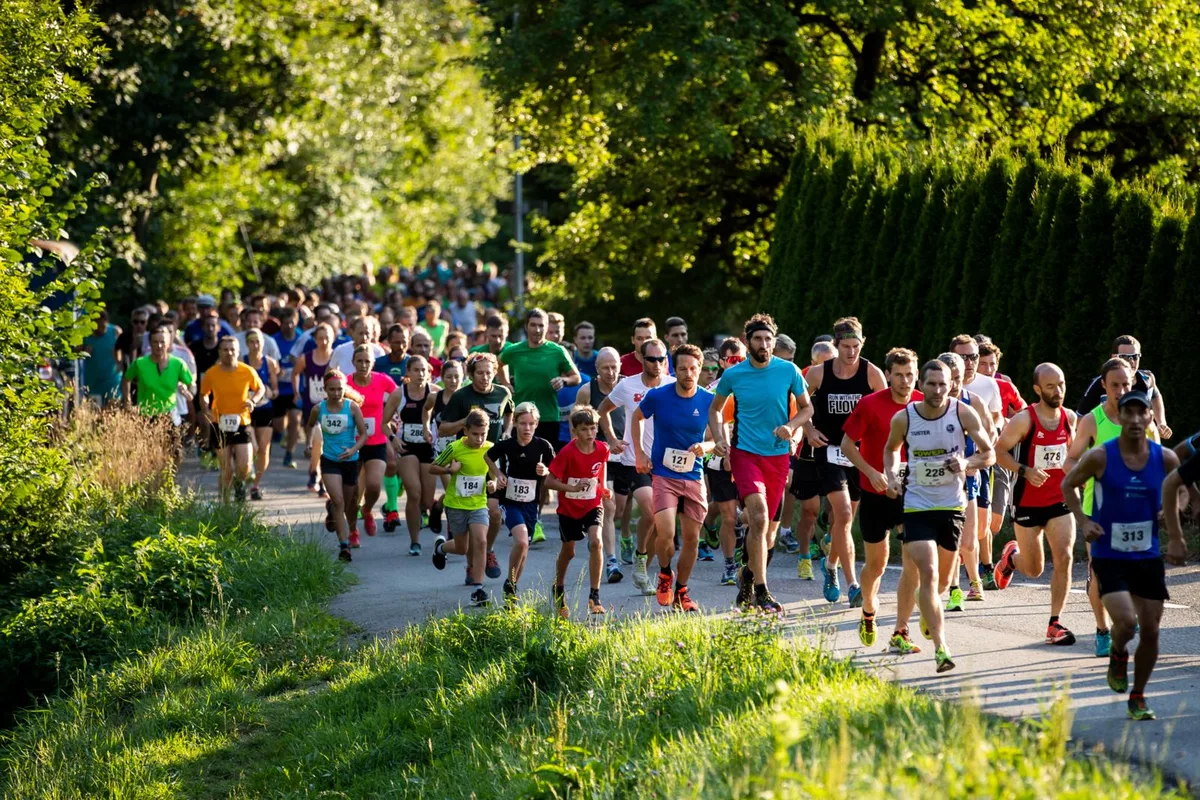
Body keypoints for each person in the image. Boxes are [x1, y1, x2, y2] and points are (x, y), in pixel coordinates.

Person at [1063, 391, 1184, 721]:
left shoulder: (1165, 458)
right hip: (1109, 553)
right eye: (1126, 413)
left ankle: (1139, 695)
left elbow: (1182, 491)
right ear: (1119, 416)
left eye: (1139, 413)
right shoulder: (1101, 456)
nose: (1133, 420)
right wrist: (1084, 521)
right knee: (1127, 623)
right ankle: (1118, 653)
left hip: (1146, 555)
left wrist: (1173, 527)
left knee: (1152, 630)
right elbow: (1068, 484)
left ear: (1149, 419)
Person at [883, 359, 994, 673]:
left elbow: (989, 452)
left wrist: (968, 463)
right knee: (928, 574)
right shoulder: (904, 417)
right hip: (917, 505)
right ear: (921, 385)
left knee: (943, 582)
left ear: (952, 385)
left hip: (952, 506)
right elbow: (891, 449)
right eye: (931, 384)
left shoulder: (962, 413)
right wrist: (892, 475)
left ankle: (925, 610)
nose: (937, 390)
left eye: (943, 384)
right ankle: (942, 648)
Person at [709, 314, 813, 614]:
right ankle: (763, 591)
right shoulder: (734, 375)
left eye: (768, 339)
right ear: (748, 342)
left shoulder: (789, 370)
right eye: (758, 339)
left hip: (778, 456)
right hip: (745, 454)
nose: (764, 344)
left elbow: (808, 408)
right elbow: (715, 410)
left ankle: (747, 576)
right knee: (758, 516)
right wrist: (719, 438)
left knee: (767, 531)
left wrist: (792, 426)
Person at [989, 364, 1079, 644]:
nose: (1058, 391)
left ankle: (1055, 623)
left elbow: (1071, 454)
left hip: (1059, 501)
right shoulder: (1023, 420)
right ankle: (1011, 559)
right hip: (1027, 502)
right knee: (1034, 569)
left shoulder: (1070, 418)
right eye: (1050, 386)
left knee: (1064, 557)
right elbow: (998, 452)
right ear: (1038, 389)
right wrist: (1025, 471)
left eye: (1061, 384)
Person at [840, 348, 923, 652]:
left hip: (911, 495)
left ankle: (901, 631)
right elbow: (847, 444)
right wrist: (871, 472)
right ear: (888, 375)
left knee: (913, 562)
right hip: (875, 494)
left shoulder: (924, 405)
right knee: (877, 564)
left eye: (910, 375)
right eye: (899, 375)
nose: (905, 381)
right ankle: (868, 609)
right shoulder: (871, 404)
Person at [800, 317, 887, 606]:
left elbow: (887, 413)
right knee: (844, 515)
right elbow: (797, 403)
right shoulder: (818, 373)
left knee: (842, 520)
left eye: (857, 346)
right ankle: (852, 585)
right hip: (828, 449)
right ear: (835, 345)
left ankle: (829, 565)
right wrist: (809, 429)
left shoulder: (872, 374)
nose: (852, 352)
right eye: (846, 346)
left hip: (859, 454)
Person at [1064, 358, 1144, 656]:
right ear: (1104, 386)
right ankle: (1101, 629)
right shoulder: (1092, 421)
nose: (1121, 390)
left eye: (1126, 384)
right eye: (1115, 385)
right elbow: (1069, 460)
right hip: (1097, 510)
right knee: (1101, 573)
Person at [630, 344, 713, 612]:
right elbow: (637, 417)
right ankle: (665, 572)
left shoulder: (708, 400)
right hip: (664, 474)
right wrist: (640, 453)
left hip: (693, 474)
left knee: (691, 538)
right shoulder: (658, 396)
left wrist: (707, 447)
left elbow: (717, 437)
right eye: (682, 369)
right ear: (673, 370)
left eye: (693, 368)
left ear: (700, 369)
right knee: (666, 530)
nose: (688, 374)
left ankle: (682, 591)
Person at [599, 337, 674, 594]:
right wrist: (612, 439)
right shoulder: (627, 386)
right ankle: (641, 559)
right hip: (636, 460)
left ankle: (642, 562)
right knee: (652, 513)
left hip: (666, 461)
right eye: (652, 359)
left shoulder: (672, 384)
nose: (658, 364)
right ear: (641, 359)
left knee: (661, 522)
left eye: (662, 359)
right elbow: (602, 410)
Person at [439, 352, 514, 563]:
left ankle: (487, 551)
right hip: (466, 463)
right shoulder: (461, 397)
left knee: (495, 515)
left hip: (492, 460)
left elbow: (509, 412)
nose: (485, 377)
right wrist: (465, 422)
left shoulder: (502, 393)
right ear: (471, 375)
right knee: (472, 527)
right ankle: (470, 563)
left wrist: (507, 430)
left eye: (489, 373)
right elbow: (443, 429)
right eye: (480, 373)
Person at [430, 409, 503, 607]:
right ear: (465, 431)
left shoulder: (490, 449)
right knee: (463, 547)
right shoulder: (455, 448)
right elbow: (432, 467)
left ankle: (477, 589)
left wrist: (493, 484)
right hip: (456, 505)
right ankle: (441, 548)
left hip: (478, 505)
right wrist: (448, 470)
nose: (479, 439)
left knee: (480, 542)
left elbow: (495, 474)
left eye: (483, 434)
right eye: (475, 434)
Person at [544, 405, 611, 618]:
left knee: (596, 542)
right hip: (569, 508)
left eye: (593, 428)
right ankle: (559, 587)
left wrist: (602, 486)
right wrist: (571, 488)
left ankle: (595, 595)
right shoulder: (567, 453)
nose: (590, 433)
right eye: (584, 429)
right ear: (574, 431)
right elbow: (549, 481)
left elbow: (601, 466)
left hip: (592, 504)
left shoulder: (602, 448)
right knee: (569, 551)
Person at [491, 402, 556, 604]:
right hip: (509, 501)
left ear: (536, 424)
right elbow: (488, 456)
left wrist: (545, 471)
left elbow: (555, 469)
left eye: (531, 424)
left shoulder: (543, 446)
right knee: (520, 541)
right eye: (522, 424)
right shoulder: (506, 445)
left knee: (525, 546)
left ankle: (512, 588)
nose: (527, 428)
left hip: (531, 503)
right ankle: (510, 582)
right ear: (516, 424)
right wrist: (499, 474)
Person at [304, 370, 369, 562]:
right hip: (330, 460)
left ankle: (332, 509)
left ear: (345, 389)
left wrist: (353, 450)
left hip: (350, 461)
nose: (336, 393)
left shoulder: (352, 407)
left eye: (340, 389)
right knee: (340, 501)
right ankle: (344, 545)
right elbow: (309, 425)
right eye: (332, 389)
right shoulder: (318, 409)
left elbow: (364, 435)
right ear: (325, 390)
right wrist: (309, 443)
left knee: (347, 503)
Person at [976, 339, 1026, 587]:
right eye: (982, 364)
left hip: (1000, 457)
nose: (987, 369)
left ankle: (1001, 558)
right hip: (973, 457)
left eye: (992, 364)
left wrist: (1009, 424)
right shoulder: (963, 386)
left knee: (994, 522)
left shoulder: (1005, 386)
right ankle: (980, 565)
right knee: (977, 517)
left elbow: (1024, 411)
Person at [574, 347, 625, 582]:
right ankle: (611, 561)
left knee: (620, 509)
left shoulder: (628, 386)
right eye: (605, 367)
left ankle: (602, 536)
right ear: (596, 369)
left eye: (614, 366)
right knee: (609, 504)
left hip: (626, 454)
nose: (610, 372)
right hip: (598, 455)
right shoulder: (587, 391)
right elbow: (575, 424)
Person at [500, 308, 581, 447]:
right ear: (526, 327)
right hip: (521, 416)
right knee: (520, 464)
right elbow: (498, 363)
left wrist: (563, 380)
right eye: (533, 325)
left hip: (548, 417)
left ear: (547, 327)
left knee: (546, 464)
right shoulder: (515, 350)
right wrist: (506, 384)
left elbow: (576, 377)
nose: (537, 330)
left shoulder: (557, 350)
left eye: (541, 325)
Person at [347, 345, 403, 546]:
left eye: (367, 361)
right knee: (353, 493)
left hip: (376, 440)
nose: (363, 365)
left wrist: (395, 417)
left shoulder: (381, 379)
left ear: (373, 363)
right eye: (359, 361)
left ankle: (368, 510)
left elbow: (399, 396)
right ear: (353, 362)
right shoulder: (345, 383)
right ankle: (353, 531)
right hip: (351, 444)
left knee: (373, 486)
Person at [199, 337, 266, 503]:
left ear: (238, 352)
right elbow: (204, 394)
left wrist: (252, 401)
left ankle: (240, 482)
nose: (229, 353)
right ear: (220, 352)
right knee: (226, 469)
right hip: (219, 423)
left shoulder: (247, 371)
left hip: (242, 422)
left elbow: (260, 388)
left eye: (232, 349)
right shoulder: (212, 373)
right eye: (225, 349)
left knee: (245, 466)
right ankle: (225, 504)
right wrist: (206, 409)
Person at [1076, 336, 1170, 439]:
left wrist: (1161, 422)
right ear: (1114, 357)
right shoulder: (1100, 383)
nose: (1131, 361)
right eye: (1124, 356)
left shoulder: (1147, 379)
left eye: (1135, 356)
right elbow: (1080, 417)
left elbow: (1155, 396)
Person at [392, 355, 438, 556]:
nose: (421, 374)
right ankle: (415, 541)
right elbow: (384, 422)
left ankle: (432, 510)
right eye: (416, 370)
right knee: (414, 492)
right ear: (408, 373)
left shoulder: (436, 393)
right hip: (407, 447)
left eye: (424, 370)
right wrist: (393, 439)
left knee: (427, 501)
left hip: (429, 448)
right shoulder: (398, 394)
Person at [122, 325, 195, 423]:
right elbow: (126, 379)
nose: (159, 345)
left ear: (168, 343)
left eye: (162, 342)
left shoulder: (178, 363)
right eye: (155, 342)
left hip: (170, 416)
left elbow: (191, 383)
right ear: (150, 343)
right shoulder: (140, 363)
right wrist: (127, 400)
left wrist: (189, 392)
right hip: (146, 416)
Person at [242, 329, 279, 501]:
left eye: (258, 342)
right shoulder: (242, 362)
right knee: (253, 447)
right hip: (245, 410)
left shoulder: (269, 362)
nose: (255, 345)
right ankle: (242, 479)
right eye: (252, 342)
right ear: (247, 343)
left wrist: (272, 392)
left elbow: (275, 388)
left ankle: (255, 485)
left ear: (263, 343)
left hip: (264, 408)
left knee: (263, 450)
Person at [271, 307, 304, 469]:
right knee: (278, 424)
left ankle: (289, 453)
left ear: (296, 322)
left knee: (295, 419)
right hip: (279, 387)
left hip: (295, 389)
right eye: (285, 323)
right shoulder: (274, 340)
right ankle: (281, 434)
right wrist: (277, 370)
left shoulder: (301, 338)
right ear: (280, 324)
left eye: (291, 323)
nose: (289, 326)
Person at [80, 310, 123, 406]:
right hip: (93, 381)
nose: (101, 329)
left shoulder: (115, 331)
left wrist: (121, 362)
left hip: (113, 378)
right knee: (95, 411)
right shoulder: (85, 334)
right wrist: (84, 352)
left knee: (113, 409)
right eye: (98, 327)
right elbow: (75, 352)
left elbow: (125, 349)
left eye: (103, 326)